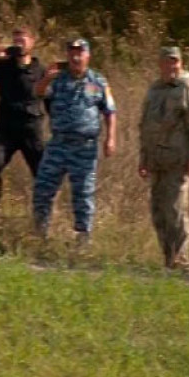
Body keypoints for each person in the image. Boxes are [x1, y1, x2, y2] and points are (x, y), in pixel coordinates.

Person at [32, 38, 116, 245]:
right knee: (43, 187)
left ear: (88, 56)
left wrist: (111, 138)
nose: (76, 57)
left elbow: (110, 111)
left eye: (80, 53)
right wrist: (46, 79)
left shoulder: (98, 82)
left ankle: (82, 239)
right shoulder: (58, 80)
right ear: (67, 55)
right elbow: (38, 93)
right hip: (58, 144)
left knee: (83, 193)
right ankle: (39, 233)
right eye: (72, 52)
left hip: (85, 147)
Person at [138, 46, 189, 269]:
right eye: (167, 62)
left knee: (176, 211)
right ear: (160, 64)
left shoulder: (188, 88)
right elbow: (145, 127)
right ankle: (168, 259)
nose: (172, 66)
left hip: (178, 162)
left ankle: (181, 260)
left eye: (175, 62)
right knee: (158, 212)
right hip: (156, 162)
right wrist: (143, 159)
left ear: (181, 63)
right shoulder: (154, 90)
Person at [0, 26, 46, 212]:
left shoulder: (40, 70)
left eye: (22, 40)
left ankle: (43, 208)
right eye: (15, 41)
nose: (18, 45)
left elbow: (50, 99)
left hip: (31, 129)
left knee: (42, 173)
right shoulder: (4, 67)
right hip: (6, 129)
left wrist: (57, 125)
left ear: (32, 42)